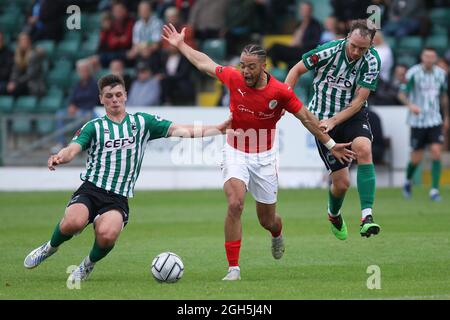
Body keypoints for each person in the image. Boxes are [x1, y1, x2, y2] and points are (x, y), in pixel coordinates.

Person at [162, 23, 356, 281]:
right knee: (235, 203)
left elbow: (307, 119)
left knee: (268, 220)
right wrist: (181, 45)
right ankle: (233, 269)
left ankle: (277, 234)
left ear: (263, 66)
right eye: (242, 65)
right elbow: (204, 63)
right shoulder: (233, 78)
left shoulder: (280, 91)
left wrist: (331, 144)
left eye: (250, 66)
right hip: (235, 151)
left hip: (264, 158)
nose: (245, 70)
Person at [23, 74, 232, 283]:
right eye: (109, 96)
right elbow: (73, 149)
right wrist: (61, 157)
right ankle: (50, 247)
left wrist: (218, 129)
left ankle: (87, 265)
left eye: (118, 95)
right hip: (91, 189)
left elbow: (182, 130)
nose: (114, 99)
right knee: (73, 223)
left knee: (107, 235)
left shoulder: (142, 122)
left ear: (125, 96)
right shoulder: (94, 126)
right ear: (101, 99)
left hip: (118, 198)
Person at [285, 19, 382, 241]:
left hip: (350, 115)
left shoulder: (372, 61)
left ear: (371, 45)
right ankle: (334, 214)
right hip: (319, 120)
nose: (357, 51)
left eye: (362, 48)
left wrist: (335, 120)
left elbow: (359, 102)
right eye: (353, 45)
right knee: (342, 183)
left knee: (364, 149)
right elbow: (296, 70)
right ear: (347, 37)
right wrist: (284, 97)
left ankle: (366, 216)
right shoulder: (328, 50)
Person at [398, 47, 449, 201]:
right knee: (416, 158)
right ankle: (407, 181)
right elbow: (401, 94)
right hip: (418, 122)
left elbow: (444, 96)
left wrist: (446, 116)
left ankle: (434, 190)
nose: (429, 59)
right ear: (422, 57)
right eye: (426, 56)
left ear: (435, 58)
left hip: (434, 119)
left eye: (432, 56)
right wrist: (410, 105)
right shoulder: (413, 73)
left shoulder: (441, 74)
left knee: (436, 152)